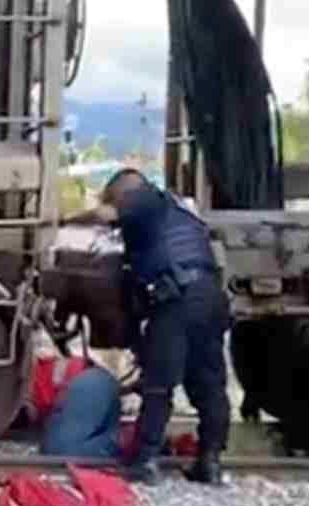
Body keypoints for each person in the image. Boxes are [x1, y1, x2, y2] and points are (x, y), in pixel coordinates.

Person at [66, 168, 230, 485]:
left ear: (121, 194)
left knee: (159, 384)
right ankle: (210, 461)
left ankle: (145, 460)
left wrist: (65, 222)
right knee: (209, 384)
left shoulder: (144, 200)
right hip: (209, 297)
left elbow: (105, 215)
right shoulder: (181, 212)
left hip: (176, 300)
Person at [27, 351, 123, 459]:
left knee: (60, 453)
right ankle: (123, 441)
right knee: (58, 453)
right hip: (88, 382)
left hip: (87, 383)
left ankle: (125, 441)